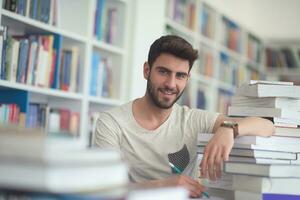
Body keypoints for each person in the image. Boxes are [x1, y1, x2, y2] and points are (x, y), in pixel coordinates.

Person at [92, 35, 274, 198]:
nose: (171, 84)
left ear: (187, 78)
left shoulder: (193, 120)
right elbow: (103, 188)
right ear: (147, 70)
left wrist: (229, 128)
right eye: (163, 72)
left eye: (180, 76)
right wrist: (164, 186)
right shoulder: (111, 123)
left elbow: (267, 126)